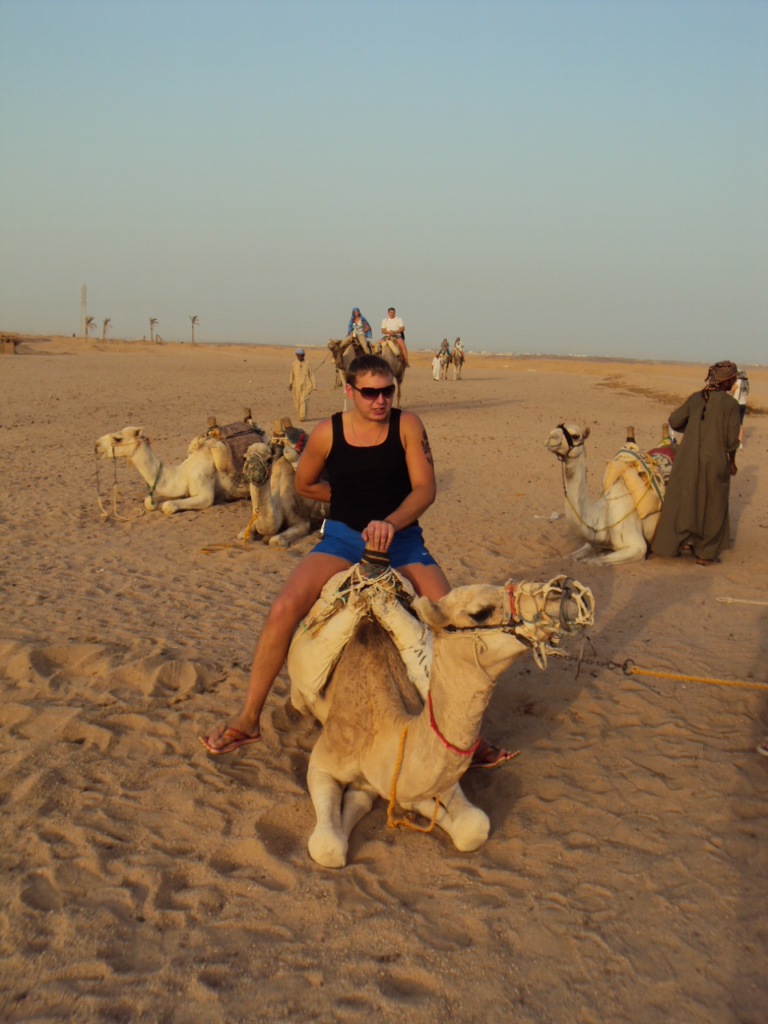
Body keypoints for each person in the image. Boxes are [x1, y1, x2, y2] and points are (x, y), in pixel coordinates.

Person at [200, 353, 513, 768]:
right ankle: (248, 719)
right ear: (350, 391)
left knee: (452, 620)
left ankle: (472, 735)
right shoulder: (327, 433)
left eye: (387, 391)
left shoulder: (408, 426)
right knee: (284, 607)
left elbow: (425, 489)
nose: (380, 400)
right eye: (369, 393)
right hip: (343, 539)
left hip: (402, 540)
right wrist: (348, 499)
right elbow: (304, 483)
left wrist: (390, 522)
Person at [652, 360, 740, 566]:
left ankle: (678, 543)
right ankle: (705, 553)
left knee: (686, 499)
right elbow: (731, 441)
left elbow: (674, 421)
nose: (735, 382)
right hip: (715, 460)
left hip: (687, 459)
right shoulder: (731, 405)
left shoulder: (696, 398)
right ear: (726, 381)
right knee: (714, 504)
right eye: (734, 379)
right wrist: (732, 462)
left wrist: (693, 427)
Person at [288, 348, 316, 423]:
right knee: (297, 402)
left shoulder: (307, 363)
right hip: (296, 385)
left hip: (307, 384)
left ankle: (302, 416)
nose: (300, 357)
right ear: (296, 355)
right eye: (298, 355)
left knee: (303, 400)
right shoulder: (294, 364)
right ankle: (300, 415)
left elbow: (311, 374)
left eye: (301, 355)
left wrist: (314, 385)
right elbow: (292, 374)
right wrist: (290, 383)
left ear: (304, 355)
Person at [730, 368, 749, 449]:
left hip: (736, 404)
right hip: (743, 404)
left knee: (732, 423)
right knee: (740, 423)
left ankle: (732, 441)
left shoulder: (738, 382)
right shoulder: (746, 382)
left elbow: (732, 391)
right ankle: (740, 443)